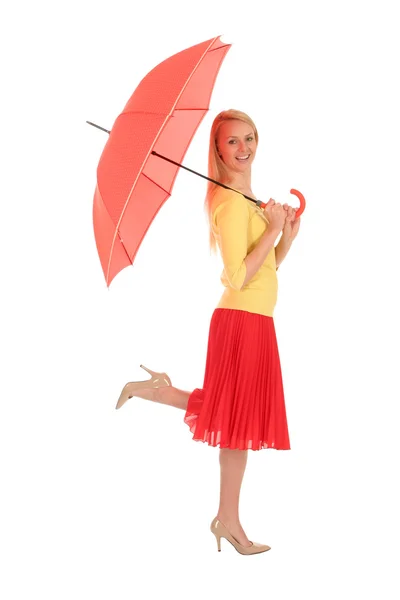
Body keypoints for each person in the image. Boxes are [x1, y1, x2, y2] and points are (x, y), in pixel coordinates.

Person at [115, 109, 301, 555]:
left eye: (250, 138)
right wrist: (272, 228)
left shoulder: (248, 199)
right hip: (241, 321)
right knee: (237, 424)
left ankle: (158, 391)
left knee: (235, 420)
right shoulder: (229, 204)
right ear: (217, 150)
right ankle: (228, 520)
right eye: (232, 142)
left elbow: (266, 269)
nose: (244, 149)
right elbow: (238, 277)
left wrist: (287, 236)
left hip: (255, 318)